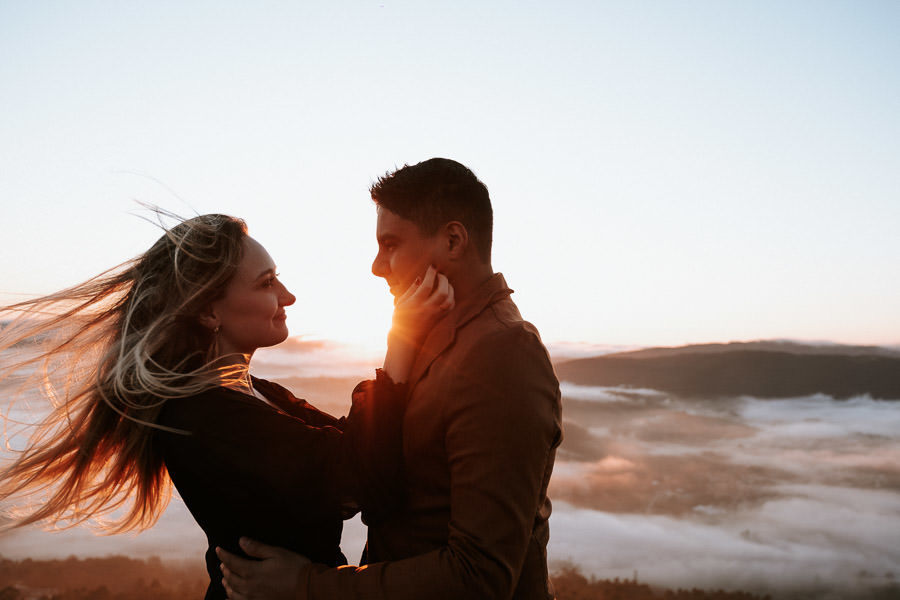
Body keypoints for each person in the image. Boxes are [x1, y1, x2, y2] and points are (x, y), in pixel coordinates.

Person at [0, 211, 454, 600]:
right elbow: (355, 477)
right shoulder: (204, 418)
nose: (288, 296)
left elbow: (349, 444)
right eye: (266, 283)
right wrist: (400, 344)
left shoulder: (254, 392)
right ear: (209, 312)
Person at [219, 158, 563, 600]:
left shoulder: (501, 352)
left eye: (391, 244)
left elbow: (480, 577)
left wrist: (308, 587)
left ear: (453, 240)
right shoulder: (434, 335)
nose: (377, 266)